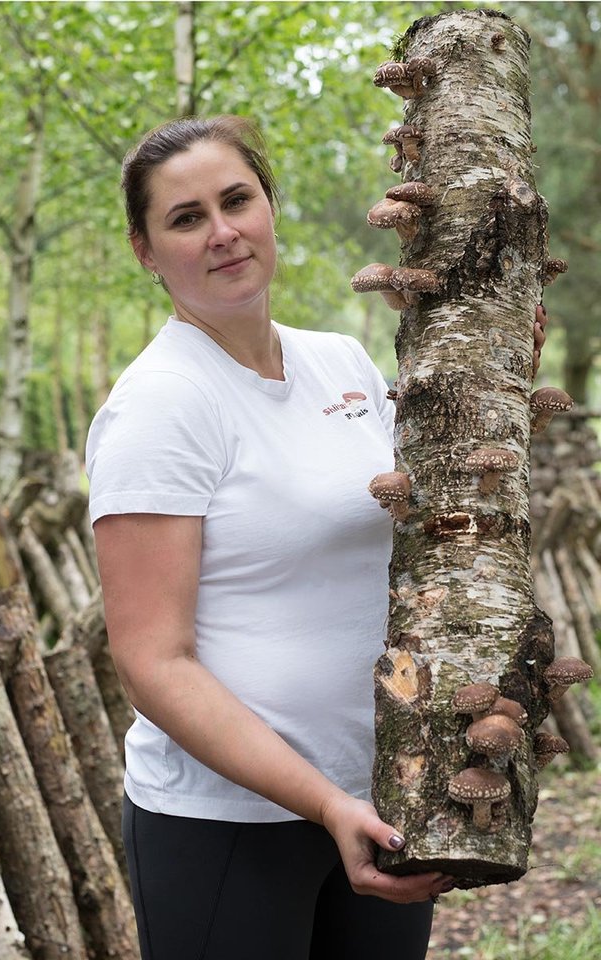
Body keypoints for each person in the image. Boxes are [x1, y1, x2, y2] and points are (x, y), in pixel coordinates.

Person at [85, 115, 549, 960]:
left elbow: (431, 517)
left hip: (381, 798)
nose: (223, 232)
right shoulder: (161, 405)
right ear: (145, 250)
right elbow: (152, 661)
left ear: (271, 208)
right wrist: (322, 803)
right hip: (228, 825)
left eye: (237, 200)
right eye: (186, 218)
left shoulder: (340, 363)